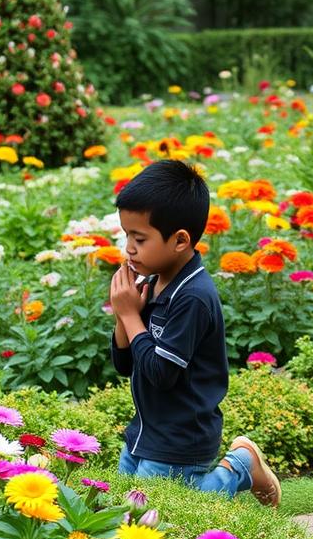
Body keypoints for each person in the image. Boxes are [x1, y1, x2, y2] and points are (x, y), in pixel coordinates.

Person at [109, 159, 281, 507]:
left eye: (139, 238)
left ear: (180, 240)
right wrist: (123, 313)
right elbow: (126, 365)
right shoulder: (154, 280)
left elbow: (161, 374)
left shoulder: (193, 297)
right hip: (145, 431)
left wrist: (131, 316)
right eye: (127, 235)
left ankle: (240, 468)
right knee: (119, 508)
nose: (129, 247)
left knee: (155, 513)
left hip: (181, 438)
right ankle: (236, 466)